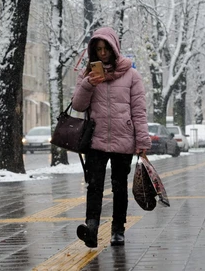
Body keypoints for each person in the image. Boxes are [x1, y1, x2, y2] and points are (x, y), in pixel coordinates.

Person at [72, 27, 151, 248]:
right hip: (95, 140)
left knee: (119, 187)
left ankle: (118, 230)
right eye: (98, 49)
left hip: (123, 139)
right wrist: (88, 83)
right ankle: (92, 228)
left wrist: (142, 141)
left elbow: (139, 110)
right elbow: (78, 105)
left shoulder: (131, 75)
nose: (103, 53)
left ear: (114, 48)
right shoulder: (87, 74)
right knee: (94, 186)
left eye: (106, 49)